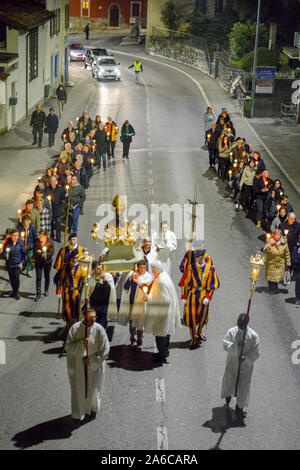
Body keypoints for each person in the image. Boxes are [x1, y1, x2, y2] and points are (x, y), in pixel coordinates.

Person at [65, 309, 110, 424]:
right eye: (90, 317)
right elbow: (68, 347)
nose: (92, 320)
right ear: (84, 317)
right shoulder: (75, 329)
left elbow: (105, 350)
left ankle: (92, 409)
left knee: (94, 388)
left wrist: (91, 360)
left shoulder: (99, 329)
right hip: (78, 365)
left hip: (94, 366)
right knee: (78, 389)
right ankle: (79, 412)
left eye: (94, 317)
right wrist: (81, 344)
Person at [221, 314, 260, 424]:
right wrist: (236, 347)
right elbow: (225, 344)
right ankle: (227, 396)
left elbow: (256, 352)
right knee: (229, 382)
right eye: (238, 321)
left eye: (242, 323)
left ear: (246, 323)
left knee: (243, 387)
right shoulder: (231, 332)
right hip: (232, 363)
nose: (239, 324)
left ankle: (240, 407)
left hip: (245, 367)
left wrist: (246, 358)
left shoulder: (253, 336)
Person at [179, 248, 219, 348]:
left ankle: (199, 332)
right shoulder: (190, 268)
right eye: (198, 258)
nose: (200, 260)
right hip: (192, 295)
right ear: (196, 259)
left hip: (204, 295)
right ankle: (193, 338)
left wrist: (208, 296)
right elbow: (185, 283)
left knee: (202, 317)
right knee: (191, 318)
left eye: (202, 258)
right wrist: (184, 295)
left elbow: (212, 284)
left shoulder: (210, 268)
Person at [143, 262, 181, 364]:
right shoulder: (163, 275)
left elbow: (166, 300)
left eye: (153, 270)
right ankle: (164, 352)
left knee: (160, 335)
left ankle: (162, 354)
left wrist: (149, 298)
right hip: (168, 311)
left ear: (157, 270)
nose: (152, 272)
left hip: (164, 313)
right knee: (166, 332)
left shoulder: (161, 281)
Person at [118, 260, 153, 349]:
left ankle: (140, 339)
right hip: (131, 302)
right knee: (132, 322)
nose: (142, 269)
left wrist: (140, 282)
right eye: (140, 267)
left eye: (144, 268)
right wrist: (130, 279)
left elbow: (149, 290)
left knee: (140, 322)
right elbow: (125, 287)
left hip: (140, 304)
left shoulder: (148, 277)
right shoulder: (132, 274)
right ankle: (132, 339)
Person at [55, 251, 87, 328]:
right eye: (74, 258)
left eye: (77, 258)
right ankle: (69, 325)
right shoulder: (65, 267)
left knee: (76, 310)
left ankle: (75, 325)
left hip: (77, 292)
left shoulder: (82, 267)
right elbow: (60, 279)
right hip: (67, 291)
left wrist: (86, 281)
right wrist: (58, 290)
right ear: (72, 257)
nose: (76, 259)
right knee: (67, 309)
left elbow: (86, 279)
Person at [82, 261, 117, 329]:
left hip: (103, 305)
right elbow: (86, 293)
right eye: (98, 269)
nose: (100, 270)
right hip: (93, 305)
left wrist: (104, 281)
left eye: (101, 268)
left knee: (102, 325)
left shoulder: (106, 277)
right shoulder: (89, 280)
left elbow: (109, 291)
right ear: (93, 269)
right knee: (93, 324)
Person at [263, 229, 291, 294]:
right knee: (271, 277)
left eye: (278, 235)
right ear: (273, 235)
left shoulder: (284, 243)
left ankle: (275, 287)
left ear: (280, 235)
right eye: (276, 235)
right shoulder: (270, 241)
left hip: (280, 263)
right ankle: (271, 289)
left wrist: (288, 263)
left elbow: (287, 253)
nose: (277, 236)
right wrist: (269, 246)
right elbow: (265, 251)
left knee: (277, 277)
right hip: (271, 262)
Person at [2, 229, 26, 300]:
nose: (15, 237)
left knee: (16, 278)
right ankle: (14, 291)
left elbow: (24, 254)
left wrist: (22, 262)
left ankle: (16, 292)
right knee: (11, 278)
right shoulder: (7, 242)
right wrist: (5, 254)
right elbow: (3, 252)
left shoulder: (20, 243)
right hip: (9, 263)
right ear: (11, 236)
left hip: (17, 264)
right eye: (14, 236)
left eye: (17, 236)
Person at [33, 230, 54, 301]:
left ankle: (46, 290)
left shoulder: (50, 242)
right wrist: (40, 253)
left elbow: (51, 253)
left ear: (45, 236)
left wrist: (44, 254)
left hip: (47, 262)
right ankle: (38, 293)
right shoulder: (36, 241)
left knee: (46, 276)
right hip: (38, 262)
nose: (40, 238)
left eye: (41, 237)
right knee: (38, 277)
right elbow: (34, 251)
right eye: (39, 236)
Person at [45, 176, 65, 242]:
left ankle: (58, 237)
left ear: (56, 181)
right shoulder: (47, 189)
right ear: (50, 182)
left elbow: (63, 199)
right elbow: (45, 199)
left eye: (54, 181)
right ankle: (51, 235)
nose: (53, 183)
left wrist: (61, 207)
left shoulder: (60, 189)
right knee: (50, 223)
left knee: (58, 224)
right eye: (51, 181)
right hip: (50, 210)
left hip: (58, 210)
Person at [291, 235, 300, 307]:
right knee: (298, 285)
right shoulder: (295, 247)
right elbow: (294, 259)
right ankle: (298, 299)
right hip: (298, 269)